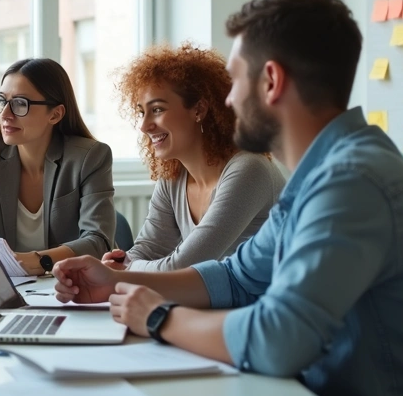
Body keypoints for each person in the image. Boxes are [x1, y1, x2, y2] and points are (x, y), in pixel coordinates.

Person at [53, 0, 403, 396]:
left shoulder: (352, 181)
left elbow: (279, 338)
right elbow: (237, 278)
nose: (229, 97)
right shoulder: (321, 174)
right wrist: (114, 281)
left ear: (272, 81)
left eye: (236, 80)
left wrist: (159, 317)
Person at [102, 43, 285, 272]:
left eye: (157, 109)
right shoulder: (173, 175)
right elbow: (149, 248)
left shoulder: (250, 169)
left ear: (199, 110)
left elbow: (183, 267)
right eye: (141, 112)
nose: (144, 125)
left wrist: (125, 270)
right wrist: (115, 264)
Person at [0, 58, 115, 275]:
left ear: (55, 114)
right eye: (2, 101)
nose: (5, 115)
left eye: (19, 104)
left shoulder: (89, 157)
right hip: (12, 285)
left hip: (74, 283)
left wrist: (32, 261)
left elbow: (98, 242)